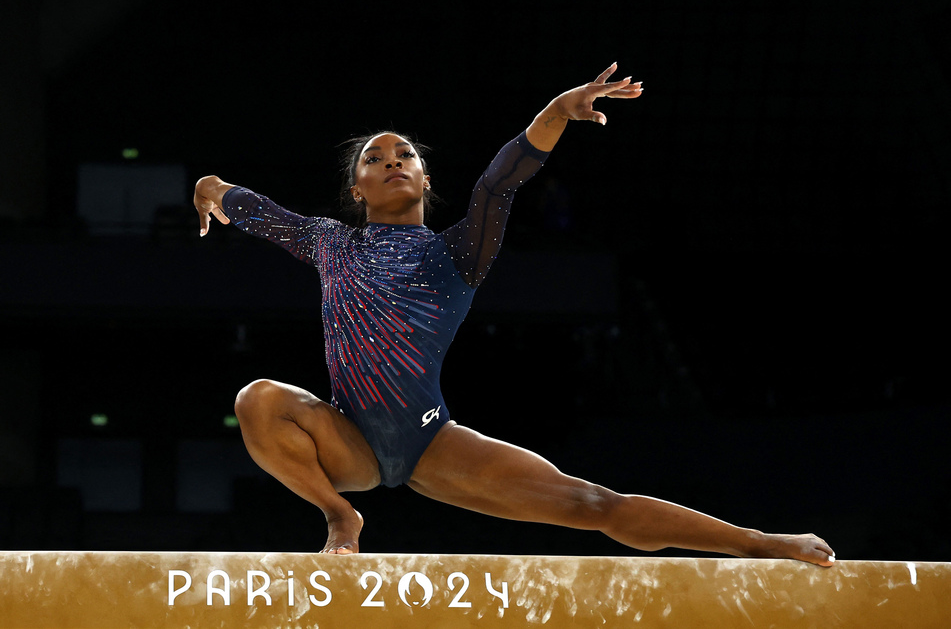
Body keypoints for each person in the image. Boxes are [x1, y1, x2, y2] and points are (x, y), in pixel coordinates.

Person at [193, 64, 836, 567]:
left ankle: (759, 542)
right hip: (345, 438)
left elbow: (498, 184)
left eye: (406, 155)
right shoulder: (331, 242)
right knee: (258, 399)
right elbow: (260, 211)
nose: (392, 160)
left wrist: (558, 111)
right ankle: (341, 517)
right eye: (374, 158)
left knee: (591, 504)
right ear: (356, 189)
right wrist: (212, 189)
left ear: (423, 179)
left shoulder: (456, 254)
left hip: (430, 443)